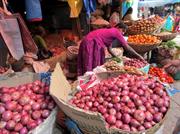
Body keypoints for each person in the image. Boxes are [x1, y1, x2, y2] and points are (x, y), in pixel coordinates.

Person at [77, 24, 144, 76]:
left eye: (124, 32)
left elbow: (109, 49)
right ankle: (89, 78)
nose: (123, 33)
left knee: (87, 60)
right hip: (91, 42)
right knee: (90, 60)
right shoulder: (116, 31)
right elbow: (127, 47)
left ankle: (87, 76)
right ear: (118, 27)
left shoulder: (110, 32)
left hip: (87, 40)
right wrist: (138, 56)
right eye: (123, 30)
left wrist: (116, 57)